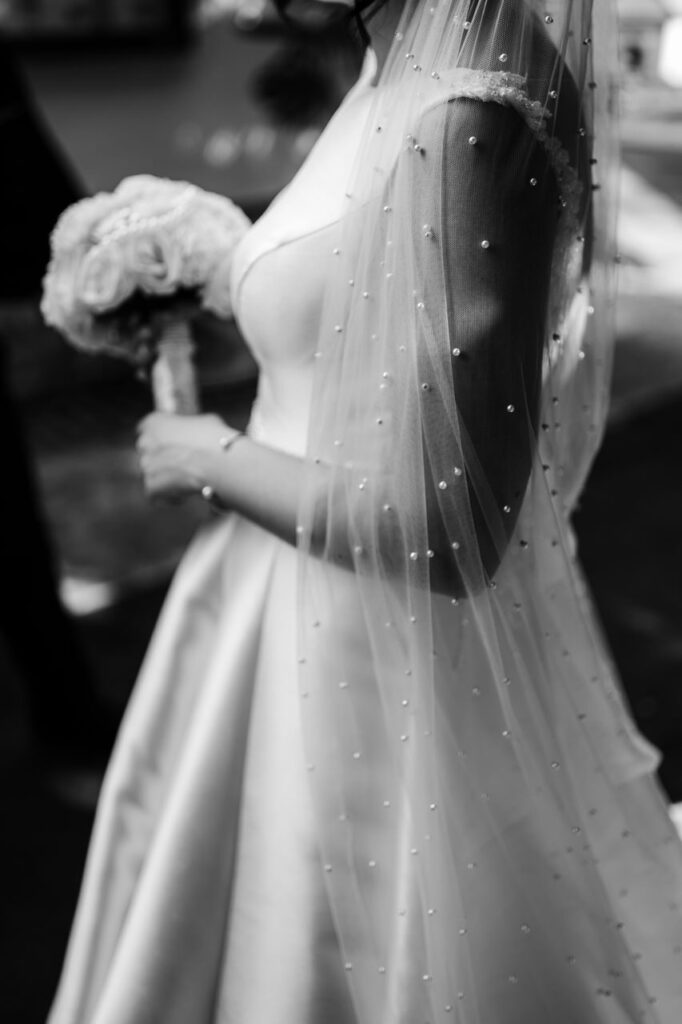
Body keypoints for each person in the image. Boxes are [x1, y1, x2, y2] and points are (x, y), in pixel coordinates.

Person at [48, 1, 682, 1021]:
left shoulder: (471, 112)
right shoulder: (402, 63)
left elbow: (450, 529)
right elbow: (372, 307)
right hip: (272, 607)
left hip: (354, 652)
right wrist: (219, 269)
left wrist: (206, 452)